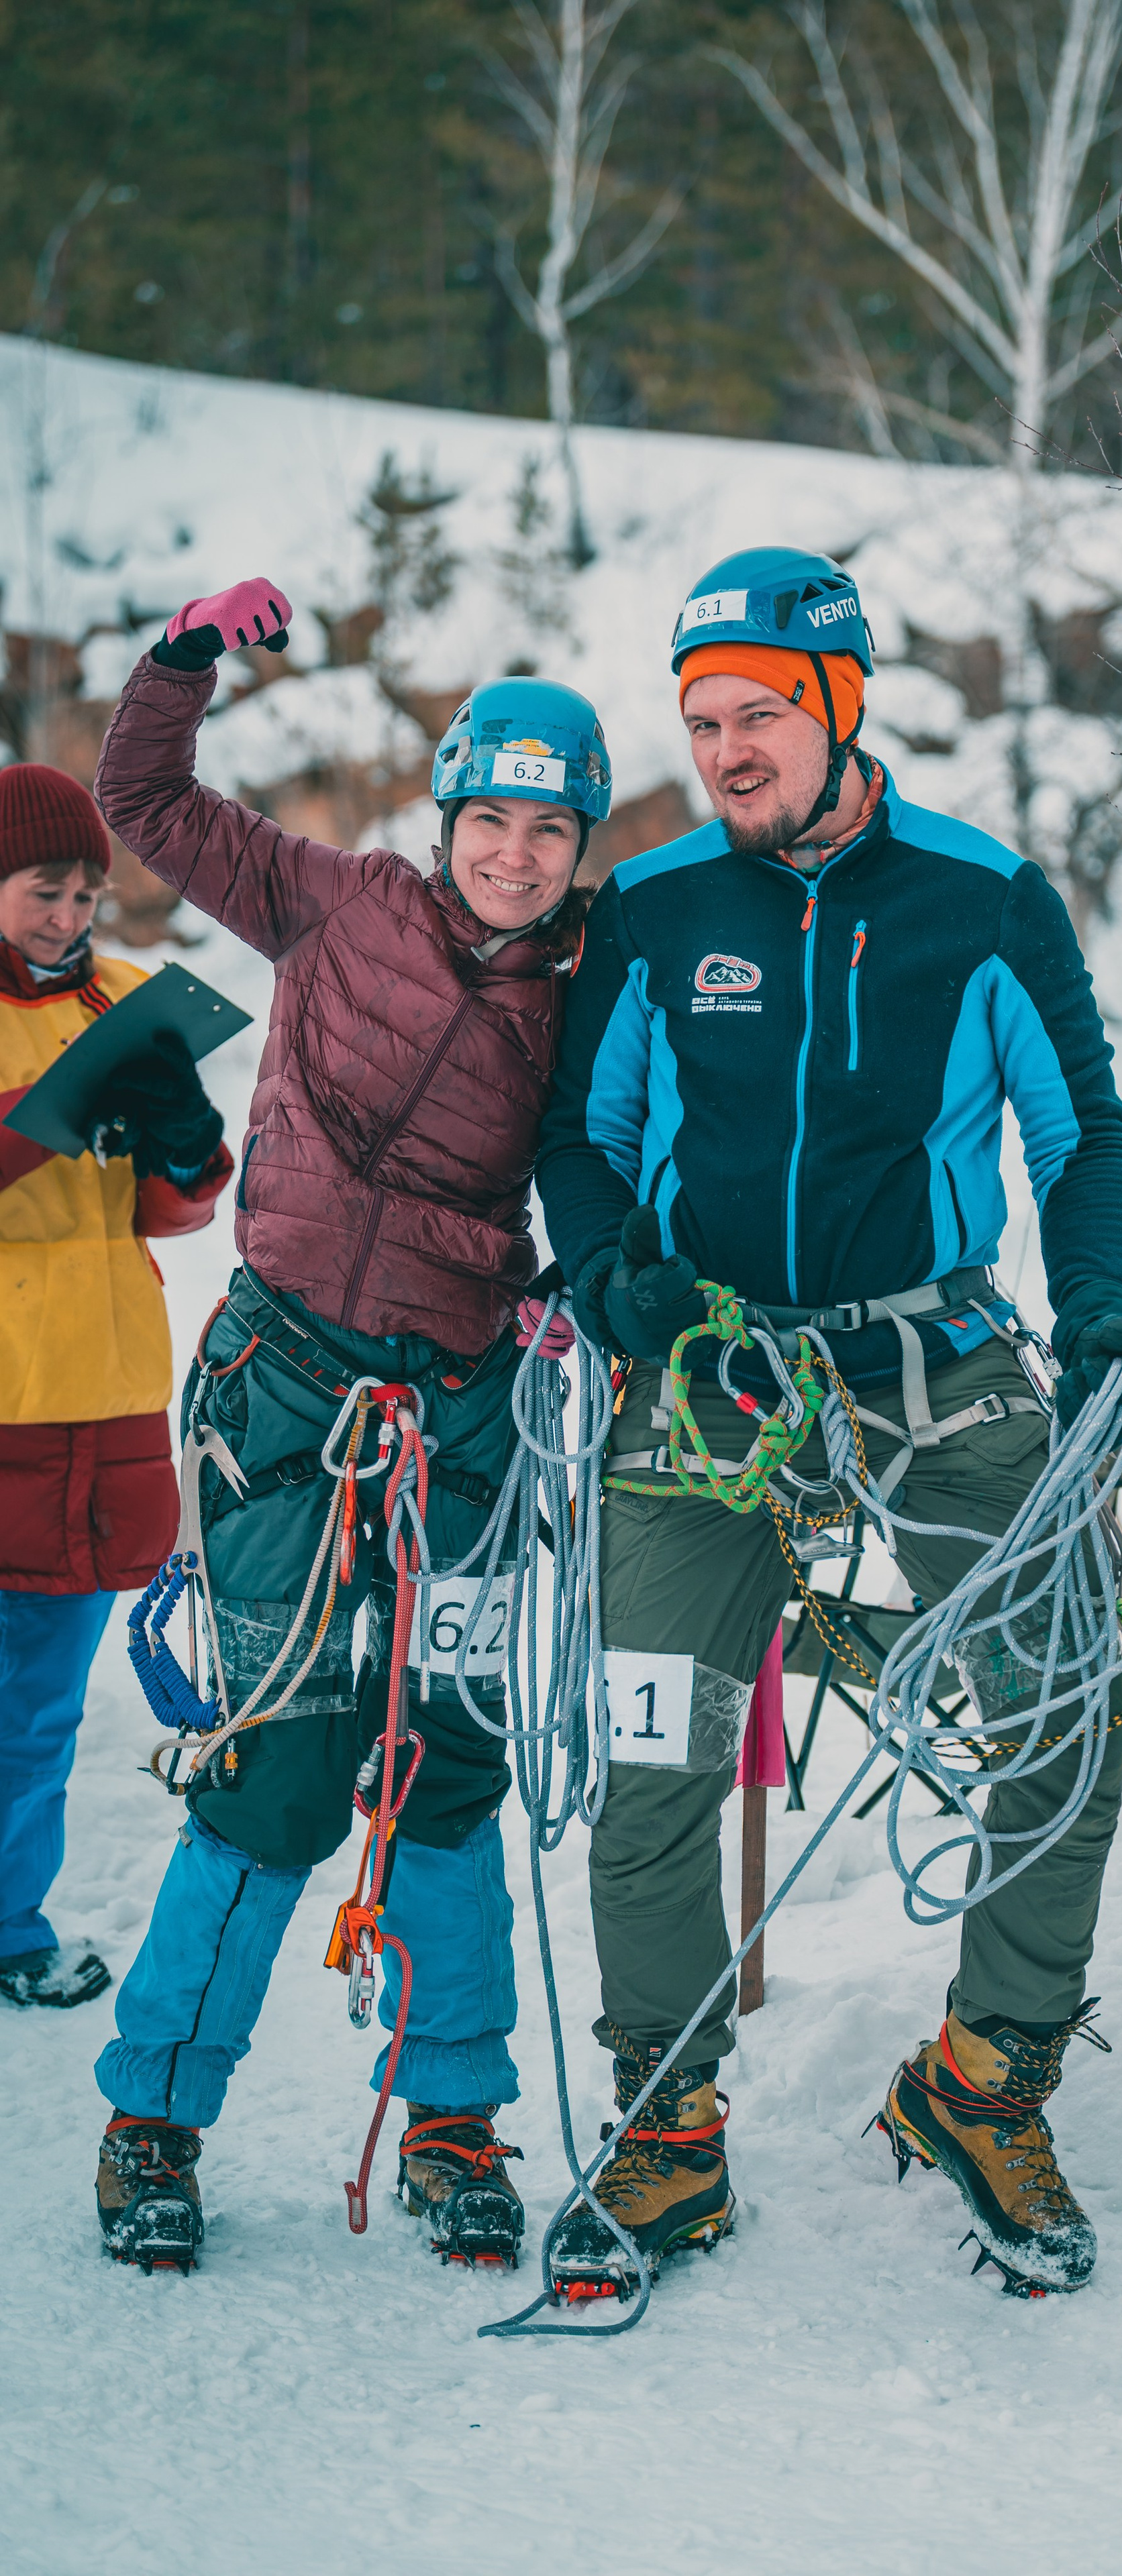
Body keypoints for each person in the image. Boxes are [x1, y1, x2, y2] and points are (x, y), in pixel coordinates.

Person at [534, 545, 1122, 2302]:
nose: (724, 749)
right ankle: (664, 2133)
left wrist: (1099, 1303)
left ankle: (987, 2081)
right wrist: (609, 1279)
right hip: (707, 1376)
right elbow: (579, 1138)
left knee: (1062, 1699)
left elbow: (1083, 1135)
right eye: (700, 718)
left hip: (930, 1362)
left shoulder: (981, 898)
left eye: (755, 714)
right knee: (656, 1743)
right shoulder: (655, 910)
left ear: (834, 701)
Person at [87, 576, 612, 2274]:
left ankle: (456, 2118)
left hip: (463, 1421)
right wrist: (185, 660)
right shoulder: (333, 904)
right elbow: (144, 803)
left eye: (551, 829)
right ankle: (152, 2119)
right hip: (287, 1394)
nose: (514, 854)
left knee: (441, 1765)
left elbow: (622, 1169)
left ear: (579, 844)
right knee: (281, 1768)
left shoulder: (593, 994)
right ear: (446, 811)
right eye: (493, 817)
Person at [0, 764, 232, 2012]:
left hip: (98, 1402)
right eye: (46, 890)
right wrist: (51, 1114)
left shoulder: (126, 1000)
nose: (71, 913)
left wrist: (188, 1150)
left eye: (87, 890)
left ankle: (7, 1922)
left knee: (36, 1707)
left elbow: (166, 1209)